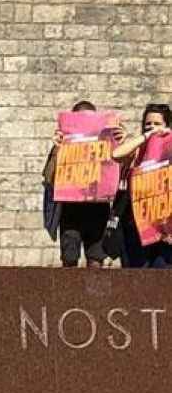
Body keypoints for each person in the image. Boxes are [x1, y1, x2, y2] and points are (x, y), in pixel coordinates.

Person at [43, 100, 120, 268]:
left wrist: (118, 140)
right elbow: (48, 177)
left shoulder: (105, 141)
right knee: (69, 260)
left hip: (98, 209)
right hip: (71, 211)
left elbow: (118, 169)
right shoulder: (62, 144)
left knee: (96, 260)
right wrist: (57, 148)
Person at [110, 104, 172, 268]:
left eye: (157, 124)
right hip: (136, 224)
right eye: (148, 123)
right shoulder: (138, 148)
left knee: (162, 273)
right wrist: (146, 136)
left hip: (163, 225)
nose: (152, 127)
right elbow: (116, 154)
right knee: (137, 273)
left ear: (167, 126)